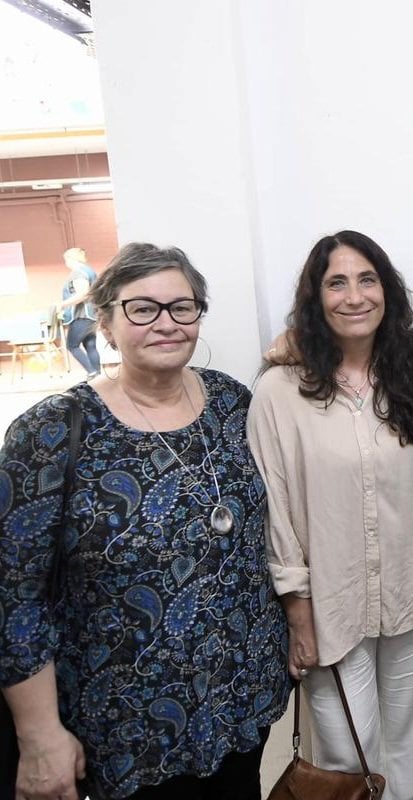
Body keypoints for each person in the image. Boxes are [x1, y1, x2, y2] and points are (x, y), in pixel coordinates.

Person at [0, 243, 290, 800]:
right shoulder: (51, 432)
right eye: (142, 308)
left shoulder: (232, 403)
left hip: (239, 697)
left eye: (183, 307)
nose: (166, 323)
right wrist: (38, 735)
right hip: (123, 723)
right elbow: (15, 596)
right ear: (106, 322)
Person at [248, 231, 413, 800]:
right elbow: (275, 512)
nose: (354, 296)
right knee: (344, 757)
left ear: (387, 291)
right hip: (328, 606)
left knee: (411, 748)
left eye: (367, 280)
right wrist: (297, 612)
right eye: (336, 282)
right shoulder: (279, 391)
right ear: (315, 298)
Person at [58, 246, 102, 378]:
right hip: (93, 314)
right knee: (90, 345)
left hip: (82, 315)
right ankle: (98, 376)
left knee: (72, 345)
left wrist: (62, 304)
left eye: (66, 260)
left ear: (71, 259)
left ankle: (92, 372)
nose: (66, 263)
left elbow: (83, 294)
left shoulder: (78, 273)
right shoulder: (90, 271)